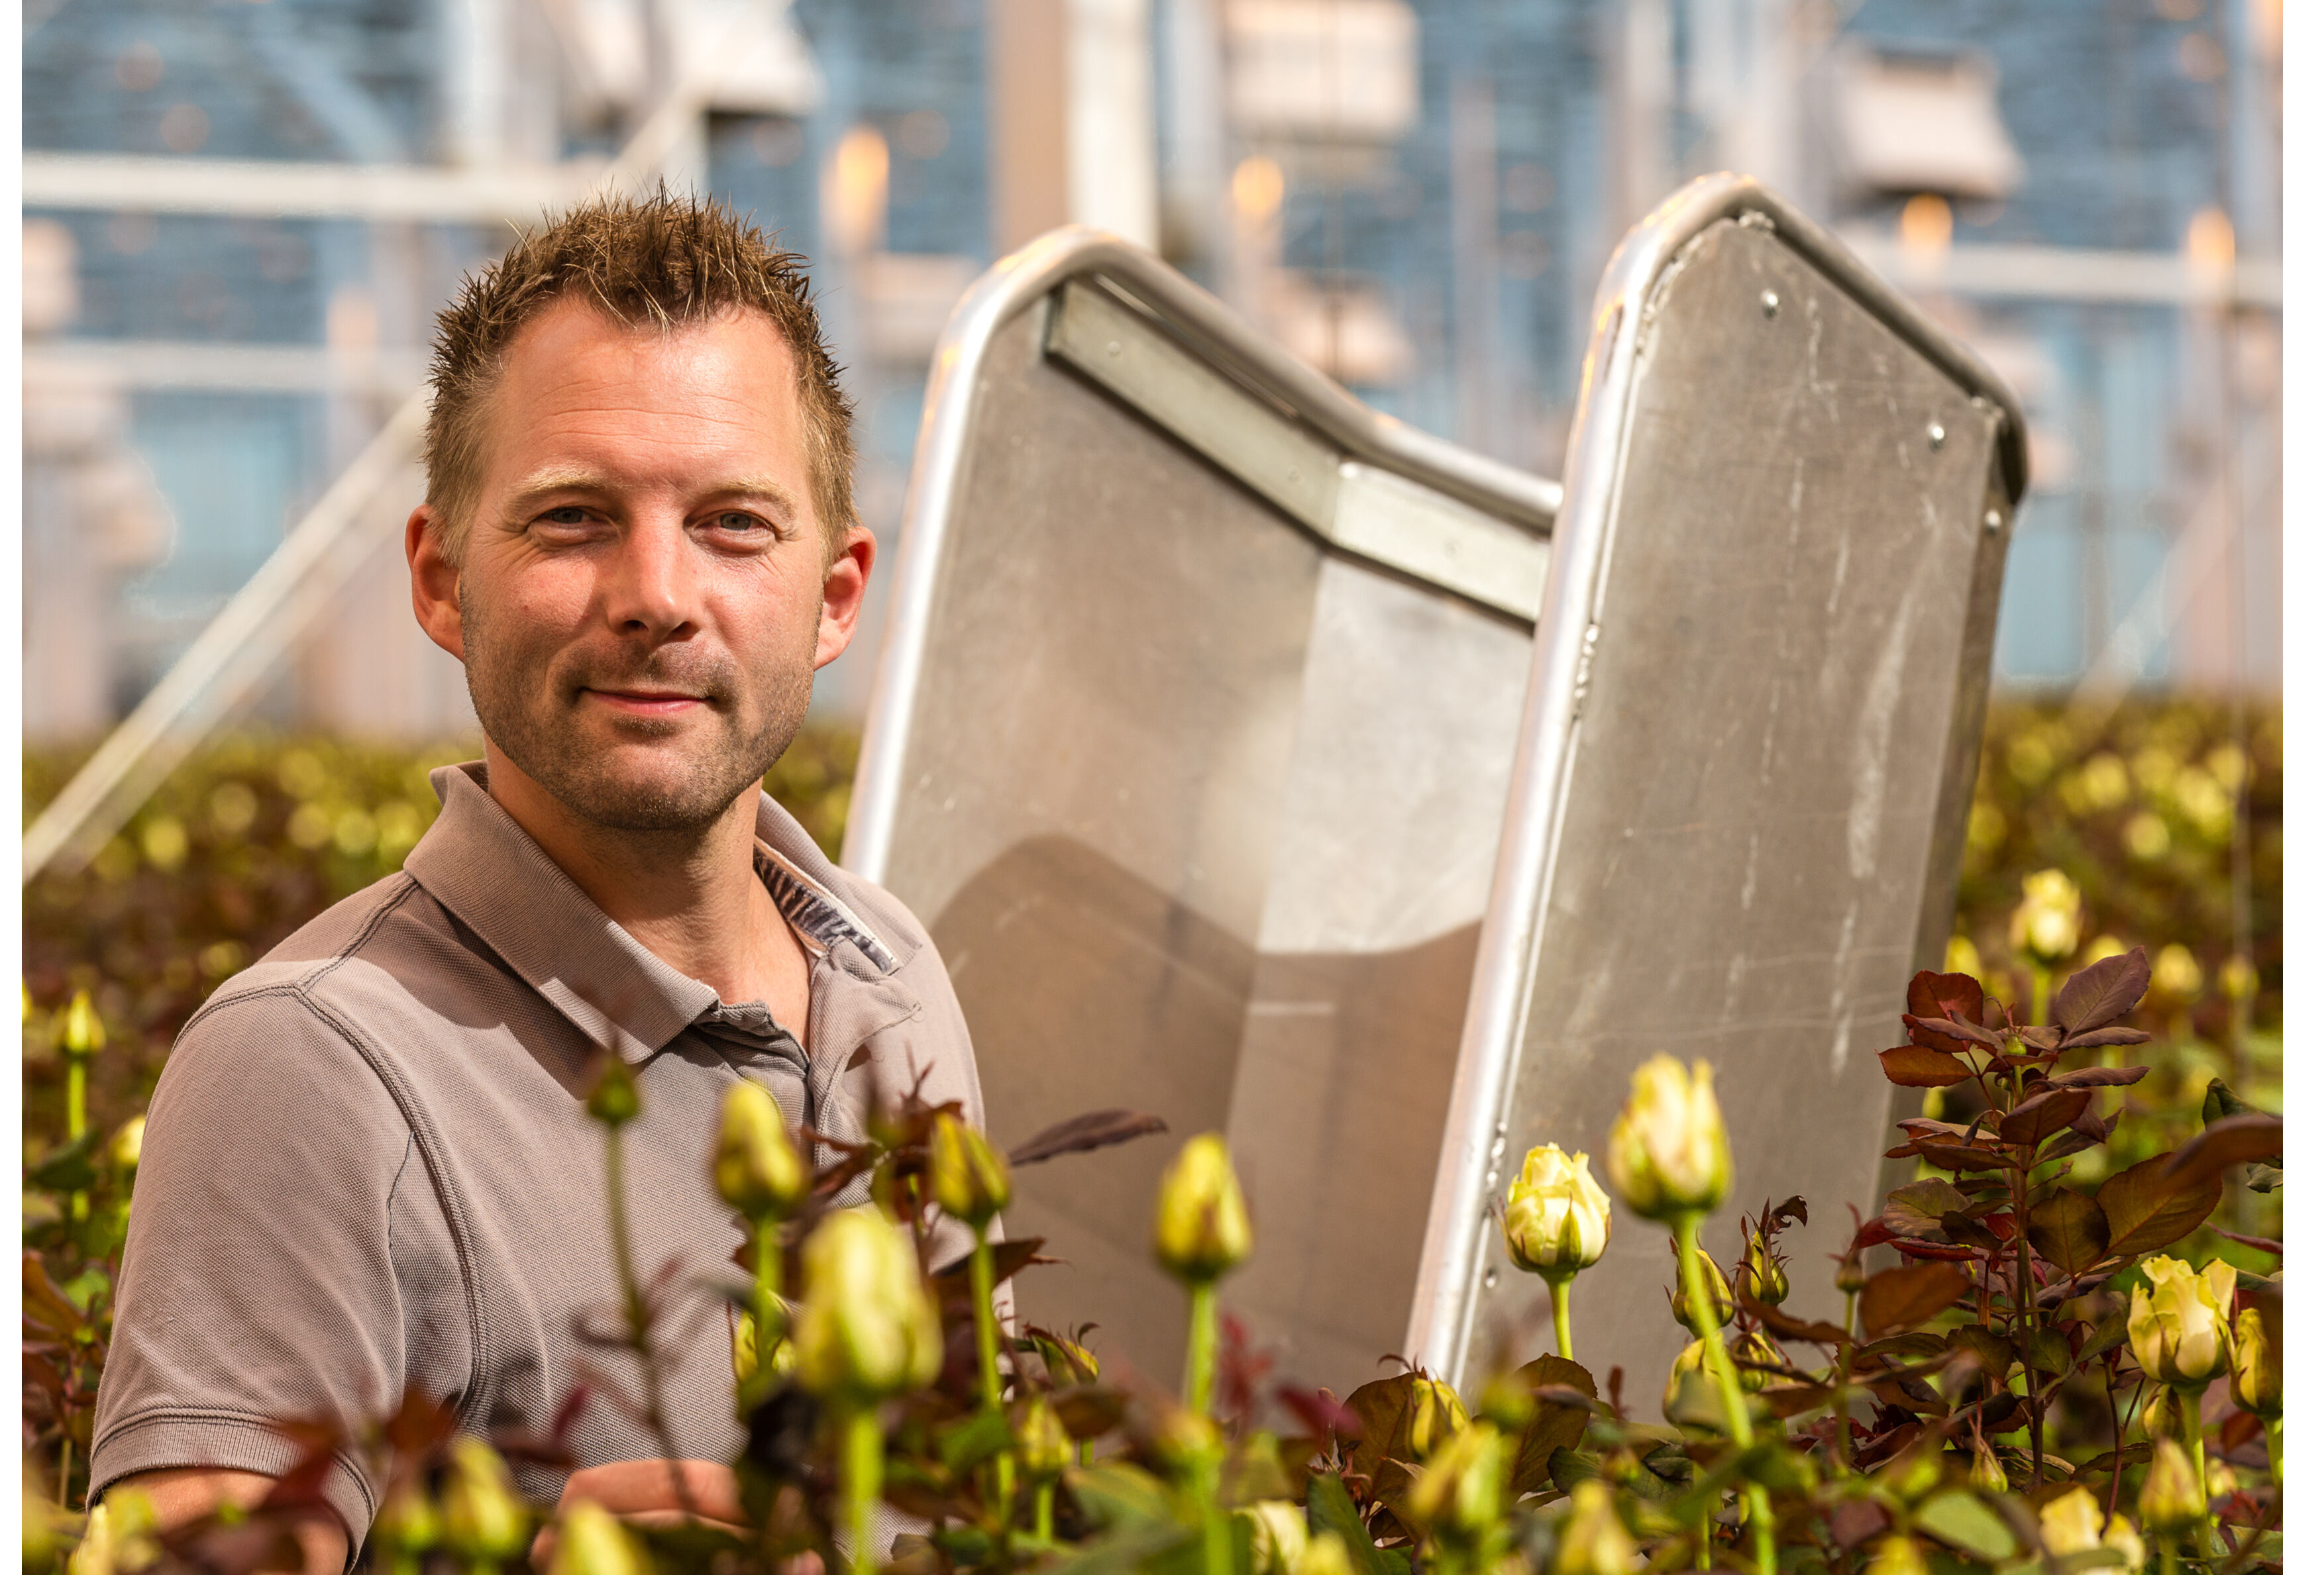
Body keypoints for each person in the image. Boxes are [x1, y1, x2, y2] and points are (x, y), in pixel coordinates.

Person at [88, 193, 992, 1572]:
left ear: (836, 597)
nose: (654, 594)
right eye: (572, 519)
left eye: (733, 523)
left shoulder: (890, 972)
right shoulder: (314, 1068)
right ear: (443, 581)